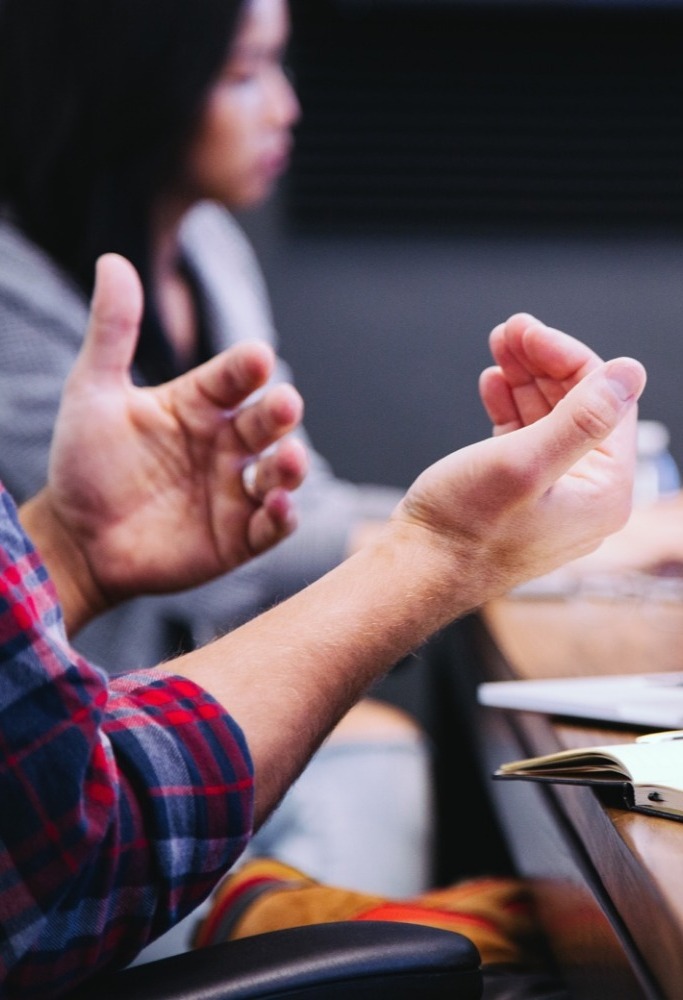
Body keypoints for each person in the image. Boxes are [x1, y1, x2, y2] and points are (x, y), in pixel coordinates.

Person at [0, 251, 645, 997]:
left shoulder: (212, 245)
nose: (291, 122)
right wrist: (442, 551)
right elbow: (73, 840)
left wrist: (71, 558)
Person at [0, 0, 433, 903]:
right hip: (81, 779)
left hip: (179, 719)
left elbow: (292, 497)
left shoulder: (207, 247)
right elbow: (230, 566)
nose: (286, 107)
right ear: (138, 81)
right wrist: (460, 548)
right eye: (243, 73)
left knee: (387, 755)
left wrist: (474, 534)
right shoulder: (14, 292)